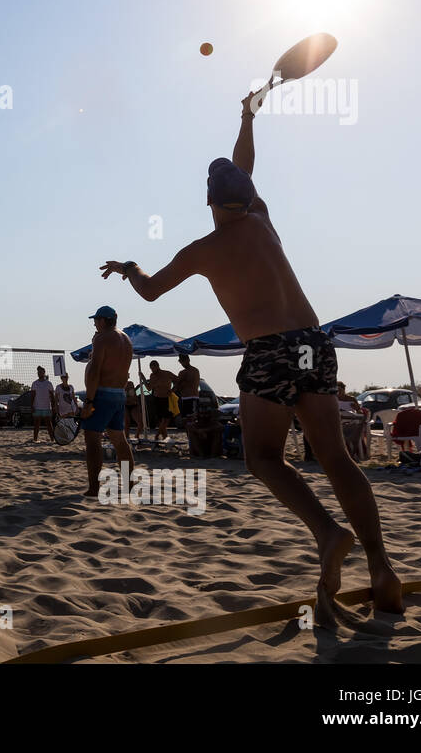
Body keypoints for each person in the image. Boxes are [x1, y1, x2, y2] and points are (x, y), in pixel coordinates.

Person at [99, 88, 403, 620]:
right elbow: (245, 164)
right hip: (313, 342)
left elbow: (149, 293)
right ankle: (382, 567)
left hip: (268, 352)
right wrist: (247, 116)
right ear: (248, 196)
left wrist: (130, 269)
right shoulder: (261, 218)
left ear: (209, 202)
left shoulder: (203, 250)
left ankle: (329, 534)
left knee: (262, 458)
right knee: (336, 457)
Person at [79, 306, 135, 496]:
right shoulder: (126, 339)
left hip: (102, 394)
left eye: (95, 320)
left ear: (103, 321)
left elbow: (95, 371)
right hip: (119, 394)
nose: (94, 323)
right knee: (120, 441)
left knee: (92, 439)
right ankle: (129, 485)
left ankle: (94, 489)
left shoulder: (102, 339)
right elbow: (123, 372)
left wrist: (88, 401)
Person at [141, 360, 177, 444]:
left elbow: (178, 381)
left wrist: (172, 390)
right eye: (151, 368)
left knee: (167, 419)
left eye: (153, 368)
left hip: (167, 398)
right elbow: (149, 388)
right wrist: (143, 378)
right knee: (161, 420)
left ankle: (157, 436)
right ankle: (165, 437)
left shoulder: (167, 373)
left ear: (157, 366)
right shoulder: (152, 376)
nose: (152, 370)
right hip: (157, 399)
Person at [30, 366, 56, 443]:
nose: (39, 373)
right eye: (38, 372)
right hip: (37, 406)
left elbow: (52, 396)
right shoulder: (34, 383)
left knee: (49, 424)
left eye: (40, 372)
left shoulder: (48, 383)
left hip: (46, 406)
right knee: (36, 424)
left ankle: (52, 439)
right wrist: (31, 405)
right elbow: (32, 395)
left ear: (44, 373)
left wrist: (54, 406)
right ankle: (35, 439)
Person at [175, 354, 202, 422]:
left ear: (188, 360)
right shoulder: (196, 370)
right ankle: (190, 431)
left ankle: (191, 432)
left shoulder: (183, 372)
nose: (182, 363)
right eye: (181, 362)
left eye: (182, 361)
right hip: (194, 397)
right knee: (191, 418)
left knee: (189, 419)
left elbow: (178, 385)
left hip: (188, 397)